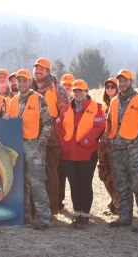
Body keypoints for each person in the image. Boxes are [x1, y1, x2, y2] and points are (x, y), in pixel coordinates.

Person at [4, 69, 52, 230]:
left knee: (37, 182)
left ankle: (44, 218)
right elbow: (10, 124)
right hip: (16, 146)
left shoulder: (38, 99)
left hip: (33, 146)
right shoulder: (12, 102)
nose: (22, 84)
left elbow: (48, 124)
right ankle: (23, 217)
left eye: (25, 81)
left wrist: (40, 143)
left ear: (30, 82)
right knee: (20, 182)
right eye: (19, 81)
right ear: (16, 83)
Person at [107, 69, 138, 233]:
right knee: (121, 186)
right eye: (120, 80)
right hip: (116, 150)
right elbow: (109, 122)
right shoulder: (114, 101)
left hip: (133, 151)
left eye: (126, 80)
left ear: (132, 82)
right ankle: (125, 217)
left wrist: (137, 142)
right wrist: (110, 141)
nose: (123, 83)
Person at [56, 80, 105, 229]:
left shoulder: (96, 108)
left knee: (85, 185)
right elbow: (58, 126)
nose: (78, 93)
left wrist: (86, 142)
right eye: (75, 91)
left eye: (81, 91)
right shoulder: (66, 109)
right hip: (68, 153)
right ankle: (76, 214)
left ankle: (85, 216)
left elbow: (99, 126)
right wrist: (63, 143)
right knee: (74, 185)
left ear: (87, 91)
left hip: (86, 153)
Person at [31, 58, 71, 218]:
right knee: (33, 176)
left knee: (51, 176)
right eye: (36, 68)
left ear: (48, 72)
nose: (38, 71)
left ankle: (52, 210)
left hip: (51, 142)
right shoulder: (28, 88)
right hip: (30, 140)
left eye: (42, 69)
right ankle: (34, 209)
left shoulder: (59, 91)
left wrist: (56, 134)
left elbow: (67, 116)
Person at [98, 77, 120, 215]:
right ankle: (113, 201)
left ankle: (119, 206)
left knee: (116, 175)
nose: (110, 89)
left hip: (116, 145)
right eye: (107, 86)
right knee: (104, 174)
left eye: (113, 86)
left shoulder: (122, 104)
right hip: (102, 146)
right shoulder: (102, 106)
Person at [57, 73, 75, 211]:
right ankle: (59, 201)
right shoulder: (59, 100)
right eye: (65, 85)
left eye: (70, 85)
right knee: (60, 173)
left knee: (75, 176)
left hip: (75, 144)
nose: (67, 87)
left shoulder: (79, 101)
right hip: (61, 142)